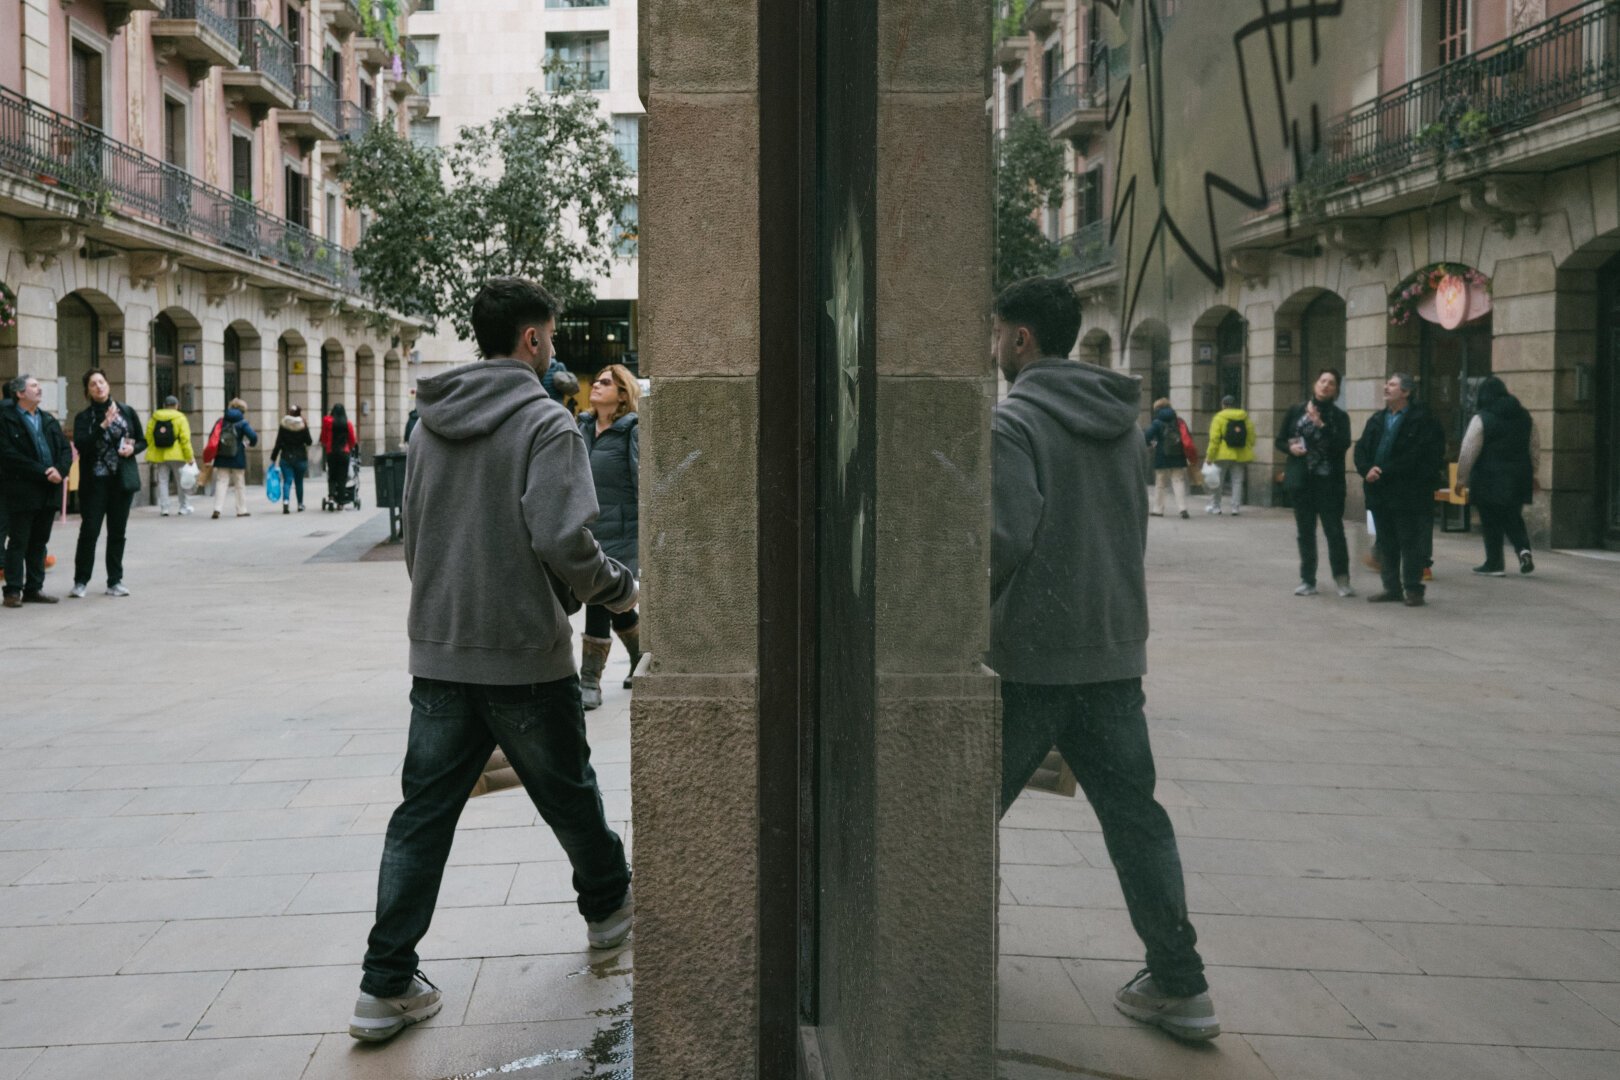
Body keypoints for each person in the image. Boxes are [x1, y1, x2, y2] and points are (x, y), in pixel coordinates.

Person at [350, 277, 637, 1043]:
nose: (555, 348)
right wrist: (620, 590)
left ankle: (383, 985)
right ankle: (609, 910)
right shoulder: (547, 423)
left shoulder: (429, 421)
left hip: (440, 651)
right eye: (552, 336)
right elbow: (565, 540)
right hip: (522, 654)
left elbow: (416, 538)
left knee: (421, 817)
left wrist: (441, 619)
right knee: (568, 793)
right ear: (532, 339)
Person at [991, 277, 1218, 1042]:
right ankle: (1182, 985)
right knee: (1136, 819)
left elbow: (1000, 540)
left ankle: (938, 958)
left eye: (997, 333)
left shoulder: (1015, 422)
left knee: (963, 812)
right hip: (1114, 656)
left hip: (1030, 661)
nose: (994, 348)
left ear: (1021, 338)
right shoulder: (1123, 422)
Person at [577, 364, 643, 707]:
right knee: (616, 604)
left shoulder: (632, 430)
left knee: (599, 597)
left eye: (606, 382)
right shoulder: (582, 427)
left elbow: (642, 483)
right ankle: (640, 654)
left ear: (622, 394)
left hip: (621, 533)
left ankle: (589, 681)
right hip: (588, 532)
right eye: (597, 380)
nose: (596, 385)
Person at [1354, 373, 1445, 607]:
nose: (1386, 387)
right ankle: (1391, 587)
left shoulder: (1423, 420)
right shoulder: (1377, 419)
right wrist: (1366, 469)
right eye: (1387, 384)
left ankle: (1413, 589)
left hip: (1408, 491)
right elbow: (1361, 448)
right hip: (1379, 490)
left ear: (1406, 392)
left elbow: (1419, 455)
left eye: (1392, 385)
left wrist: (1383, 471)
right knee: (1386, 542)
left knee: (1409, 541)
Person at [1277, 368, 1355, 597]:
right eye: (1322, 381)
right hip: (1302, 481)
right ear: (1315, 384)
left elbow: (1342, 444)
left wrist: (1321, 424)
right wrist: (1290, 448)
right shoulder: (1296, 411)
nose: (1325, 385)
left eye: (1331, 383)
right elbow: (1280, 440)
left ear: (1336, 390)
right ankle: (1307, 580)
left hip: (1328, 482)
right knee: (1305, 532)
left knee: (1334, 531)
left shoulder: (1339, 417)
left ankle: (1342, 579)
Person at [69, 370, 146, 599]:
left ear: (108, 384)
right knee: (89, 531)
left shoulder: (126, 411)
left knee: (117, 532)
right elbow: (82, 445)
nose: (99, 387)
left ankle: (115, 581)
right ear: (88, 391)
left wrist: (133, 449)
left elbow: (142, 440)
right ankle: (80, 581)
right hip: (95, 483)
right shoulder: (84, 418)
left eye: (101, 382)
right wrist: (103, 424)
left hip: (120, 482)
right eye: (93, 384)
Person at [0, 374, 72, 608]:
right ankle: (12, 590)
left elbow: (65, 449)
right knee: (19, 540)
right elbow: (8, 454)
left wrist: (60, 470)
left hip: (49, 489)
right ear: (20, 393)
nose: (39, 389)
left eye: (39, 386)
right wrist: (43, 471)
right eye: (33, 386)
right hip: (22, 489)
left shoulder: (47, 419)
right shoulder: (6, 419)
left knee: (39, 541)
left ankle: (34, 588)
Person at [1457, 376, 1538, 577]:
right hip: (1519, 476)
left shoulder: (1482, 418)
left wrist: (1461, 478)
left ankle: (1494, 564)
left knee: (1490, 520)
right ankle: (1523, 550)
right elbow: (1534, 448)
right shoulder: (1525, 417)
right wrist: (1533, 473)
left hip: (1488, 477)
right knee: (1512, 516)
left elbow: (1468, 450)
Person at [207, 398, 259, 520]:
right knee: (239, 483)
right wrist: (248, 444)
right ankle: (241, 510)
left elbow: (212, 436)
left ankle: (217, 509)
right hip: (237, 456)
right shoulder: (242, 422)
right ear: (243, 410)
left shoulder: (221, 421)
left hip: (221, 455)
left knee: (221, 482)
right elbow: (253, 437)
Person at [1204, 394, 1255, 515]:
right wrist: (1247, 448)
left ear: (1223, 405)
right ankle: (1235, 508)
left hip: (1222, 454)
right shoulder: (1244, 417)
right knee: (1237, 481)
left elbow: (1214, 439)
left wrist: (1210, 456)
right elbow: (1251, 437)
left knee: (1218, 481)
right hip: (1240, 453)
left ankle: (1216, 507)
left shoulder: (1218, 417)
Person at [1143, 397, 1193, 519]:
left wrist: (1154, 444)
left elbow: (1147, 436)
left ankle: (1158, 510)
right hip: (1178, 455)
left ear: (1157, 409)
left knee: (1160, 483)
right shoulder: (1179, 421)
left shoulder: (1157, 422)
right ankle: (1182, 508)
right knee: (1178, 481)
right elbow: (1187, 436)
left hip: (1162, 455)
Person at [146, 394, 194, 517]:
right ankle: (183, 507)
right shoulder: (180, 418)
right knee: (181, 481)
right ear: (176, 406)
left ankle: (164, 508)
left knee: (162, 481)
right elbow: (185, 439)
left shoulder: (155, 418)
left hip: (160, 454)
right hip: (177, 455)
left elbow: (148, 436)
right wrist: (189, 456)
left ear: (164, 405)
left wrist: (153, 451)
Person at [270, 404, 314, 514]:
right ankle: (300, 505)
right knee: (299, 482)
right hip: (300, 457)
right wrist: (305, 428)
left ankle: (286, 502)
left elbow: (278, 443)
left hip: (286, 457)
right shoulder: (302, 425)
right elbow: (309, 441)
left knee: (287, 481)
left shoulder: (284, 424)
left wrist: (273, 457)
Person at [322, 402, 357, 505]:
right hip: (344, 452)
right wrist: (350, 447)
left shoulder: (327, 423)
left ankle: (331, 497)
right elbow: (352, 439)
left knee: (332, 476)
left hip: (331, 452)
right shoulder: (347, 424)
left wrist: (326, 444)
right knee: (342, 477)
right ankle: (341, 503)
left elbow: (323, 437)